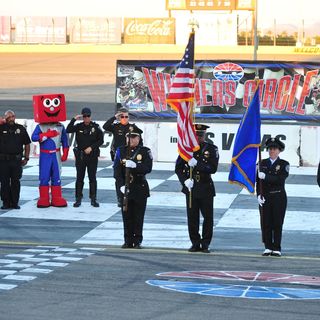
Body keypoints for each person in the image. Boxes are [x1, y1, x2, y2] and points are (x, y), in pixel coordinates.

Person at [175, 124, 219, 253]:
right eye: (195, 135)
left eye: (200, 135)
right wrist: (185, 181)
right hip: (191, 188)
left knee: (208, 218)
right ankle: (195, 242)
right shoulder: (187, 150)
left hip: (205, 187)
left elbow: (213, 168)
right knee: (192, 217)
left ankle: (205, 243)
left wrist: (198, 164)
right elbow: (178, 168)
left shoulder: (211, 149)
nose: (198, 137)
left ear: (204, 135)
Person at [113, 127, 153, 249]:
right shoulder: (120, 151)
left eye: (134, 137)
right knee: (126, 216)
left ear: (139, 138)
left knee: (138, 216)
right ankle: (127, 240)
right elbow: (116, 171)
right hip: (126, 188)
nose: (131, 140)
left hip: (139, 187)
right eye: (129, 137)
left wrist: (136, 166)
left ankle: (137, 240)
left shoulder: (145, 151)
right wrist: (120, 186)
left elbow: (148, 168)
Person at [256, 137, 290, 257]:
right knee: (266, 222)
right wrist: (258, 195)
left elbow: (280, 179)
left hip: (278, 197)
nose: (272, 151)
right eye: (270, 148)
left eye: (274, 149)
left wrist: (266, 177)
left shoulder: (284, 164)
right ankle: (268, 246)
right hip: (265, 197)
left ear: (279, 150)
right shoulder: (262, 163)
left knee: (277, 222)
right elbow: (257, 182)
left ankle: (276, 247)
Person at [103, 105, 142, 207]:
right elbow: (105, 126)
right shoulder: (115, 126)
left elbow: (140, 142)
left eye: (126, 116)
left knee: (131, 177)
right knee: (118, 177)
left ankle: (130, 197)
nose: (124, 118)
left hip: (131, 156)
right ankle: (120, 198)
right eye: (122, 116)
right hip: (118, 156)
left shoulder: (133, 127)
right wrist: (114, 117)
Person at [66, 107, 103, 207]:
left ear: (90, 116)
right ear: (82, 116)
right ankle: (78, 198)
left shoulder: (96, 127)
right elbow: (68, 130)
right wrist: (74, 119)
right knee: (79, 178)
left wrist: (91, 147)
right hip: (81, 156)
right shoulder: (79, 126)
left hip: (92, 156)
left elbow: (101, 140)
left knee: (92, 178)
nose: (86, 118)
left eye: (88, 116)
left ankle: (93, 199)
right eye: (85, 116)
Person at [0, 110, 31, 209]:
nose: (11, 119)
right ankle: (5, 202)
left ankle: (14, 203)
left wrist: (26, 157)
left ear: (15, 117)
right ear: (5, 118)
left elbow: (27, 143)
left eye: (12, 116)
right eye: (8, 117)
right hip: (3, 161)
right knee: (4, 182)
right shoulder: (1, 128)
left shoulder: (20, 128)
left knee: (15, 182)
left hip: (16, 160)